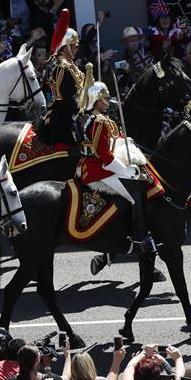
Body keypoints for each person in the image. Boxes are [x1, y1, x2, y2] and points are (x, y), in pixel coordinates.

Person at [77, 81, 156, 255]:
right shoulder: (99, 121)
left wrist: (125, 141)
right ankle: (140, 238)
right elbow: (105, 156)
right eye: (105, 98)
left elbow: (112, 139)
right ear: (97, 100)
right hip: (97, 168)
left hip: (97, 164)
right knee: (136, 193)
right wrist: (126, 170)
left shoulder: (98, 118)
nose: (108, 101)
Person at [39, 8, 86, 146]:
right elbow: (70, 97)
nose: (77, 49)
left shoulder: (57, 62)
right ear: (66, 47)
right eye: (75, 46)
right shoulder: (64, 66)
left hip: (57, 112)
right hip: (63, 117)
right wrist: (84, 113)